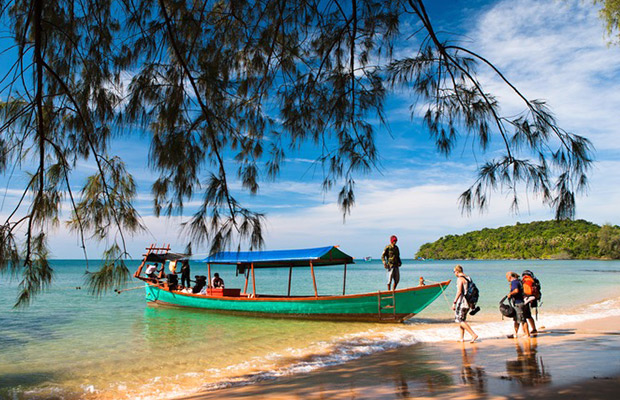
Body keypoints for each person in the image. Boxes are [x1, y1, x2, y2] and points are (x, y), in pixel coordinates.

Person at [452, 265, 478, 343]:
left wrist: (454, 302)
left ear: (457, 271)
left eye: (454, 272)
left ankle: (473, 335)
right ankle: (461, 338)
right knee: (462, 319)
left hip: (463, 302)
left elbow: (459, 291)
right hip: (469, 302)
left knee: (460, 320)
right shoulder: (468, 278)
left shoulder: (460, 279)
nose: (454, 273)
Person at [506, 271, 530, 338]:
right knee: (516, 319)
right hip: (521, 302)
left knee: (522, 320)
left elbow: (516, 290)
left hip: (518, 303)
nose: (507, 279)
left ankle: (527, 334)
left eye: (507, 277)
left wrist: (510, 294)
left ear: (509, 277)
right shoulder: (518, 281)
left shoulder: (514, 282)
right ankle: (515, 334)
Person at [521, 270, 539, 334]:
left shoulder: (525, 280)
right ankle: (534, 329)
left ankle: (525, 332)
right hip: (532, 299)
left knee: (522, 316)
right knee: (528, 315)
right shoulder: (533, 280)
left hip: (525, 299)